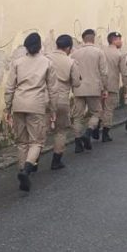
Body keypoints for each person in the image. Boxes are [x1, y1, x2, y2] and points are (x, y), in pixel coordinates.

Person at [5, 33, 57, 192]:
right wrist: (53, 110)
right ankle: (27, 169)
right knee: (36, 142)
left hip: (18, 104)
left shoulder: (17, 63)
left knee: (21, 142)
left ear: (25, 46)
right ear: (40, 46)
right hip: (37, 104)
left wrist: (7, 108)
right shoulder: (47, 63)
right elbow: (52, 89)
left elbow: (9, 88)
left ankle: (21, 170)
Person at [46, 34, 81, 170]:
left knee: (40, 132)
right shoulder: (70, 62)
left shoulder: (46, 58)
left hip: (45, 98)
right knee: (60, 131)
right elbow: (77, 83)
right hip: (61, 100)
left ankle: (33, 162)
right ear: (68, 48)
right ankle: (56, 160)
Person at [70, 29, 108, 152]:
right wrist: (105, 88)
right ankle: (88, 132)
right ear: (94, 38)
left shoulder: (74, 54)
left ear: (83, 38)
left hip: (78, 87)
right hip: (94, 87)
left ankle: (77, 143)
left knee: (77, 116)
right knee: (96, 112)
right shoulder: (99, 52)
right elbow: (104, 72)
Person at [101, 31, 127, 142]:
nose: (121, 42)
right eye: (120, 39)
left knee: (98, 109)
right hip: (111, 85)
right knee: (108, 110)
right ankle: (105, 133)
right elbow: (124, 72)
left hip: (99, 86)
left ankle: (94, 129)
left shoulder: (101, 52)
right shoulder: (119, 54)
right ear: (114, 40)